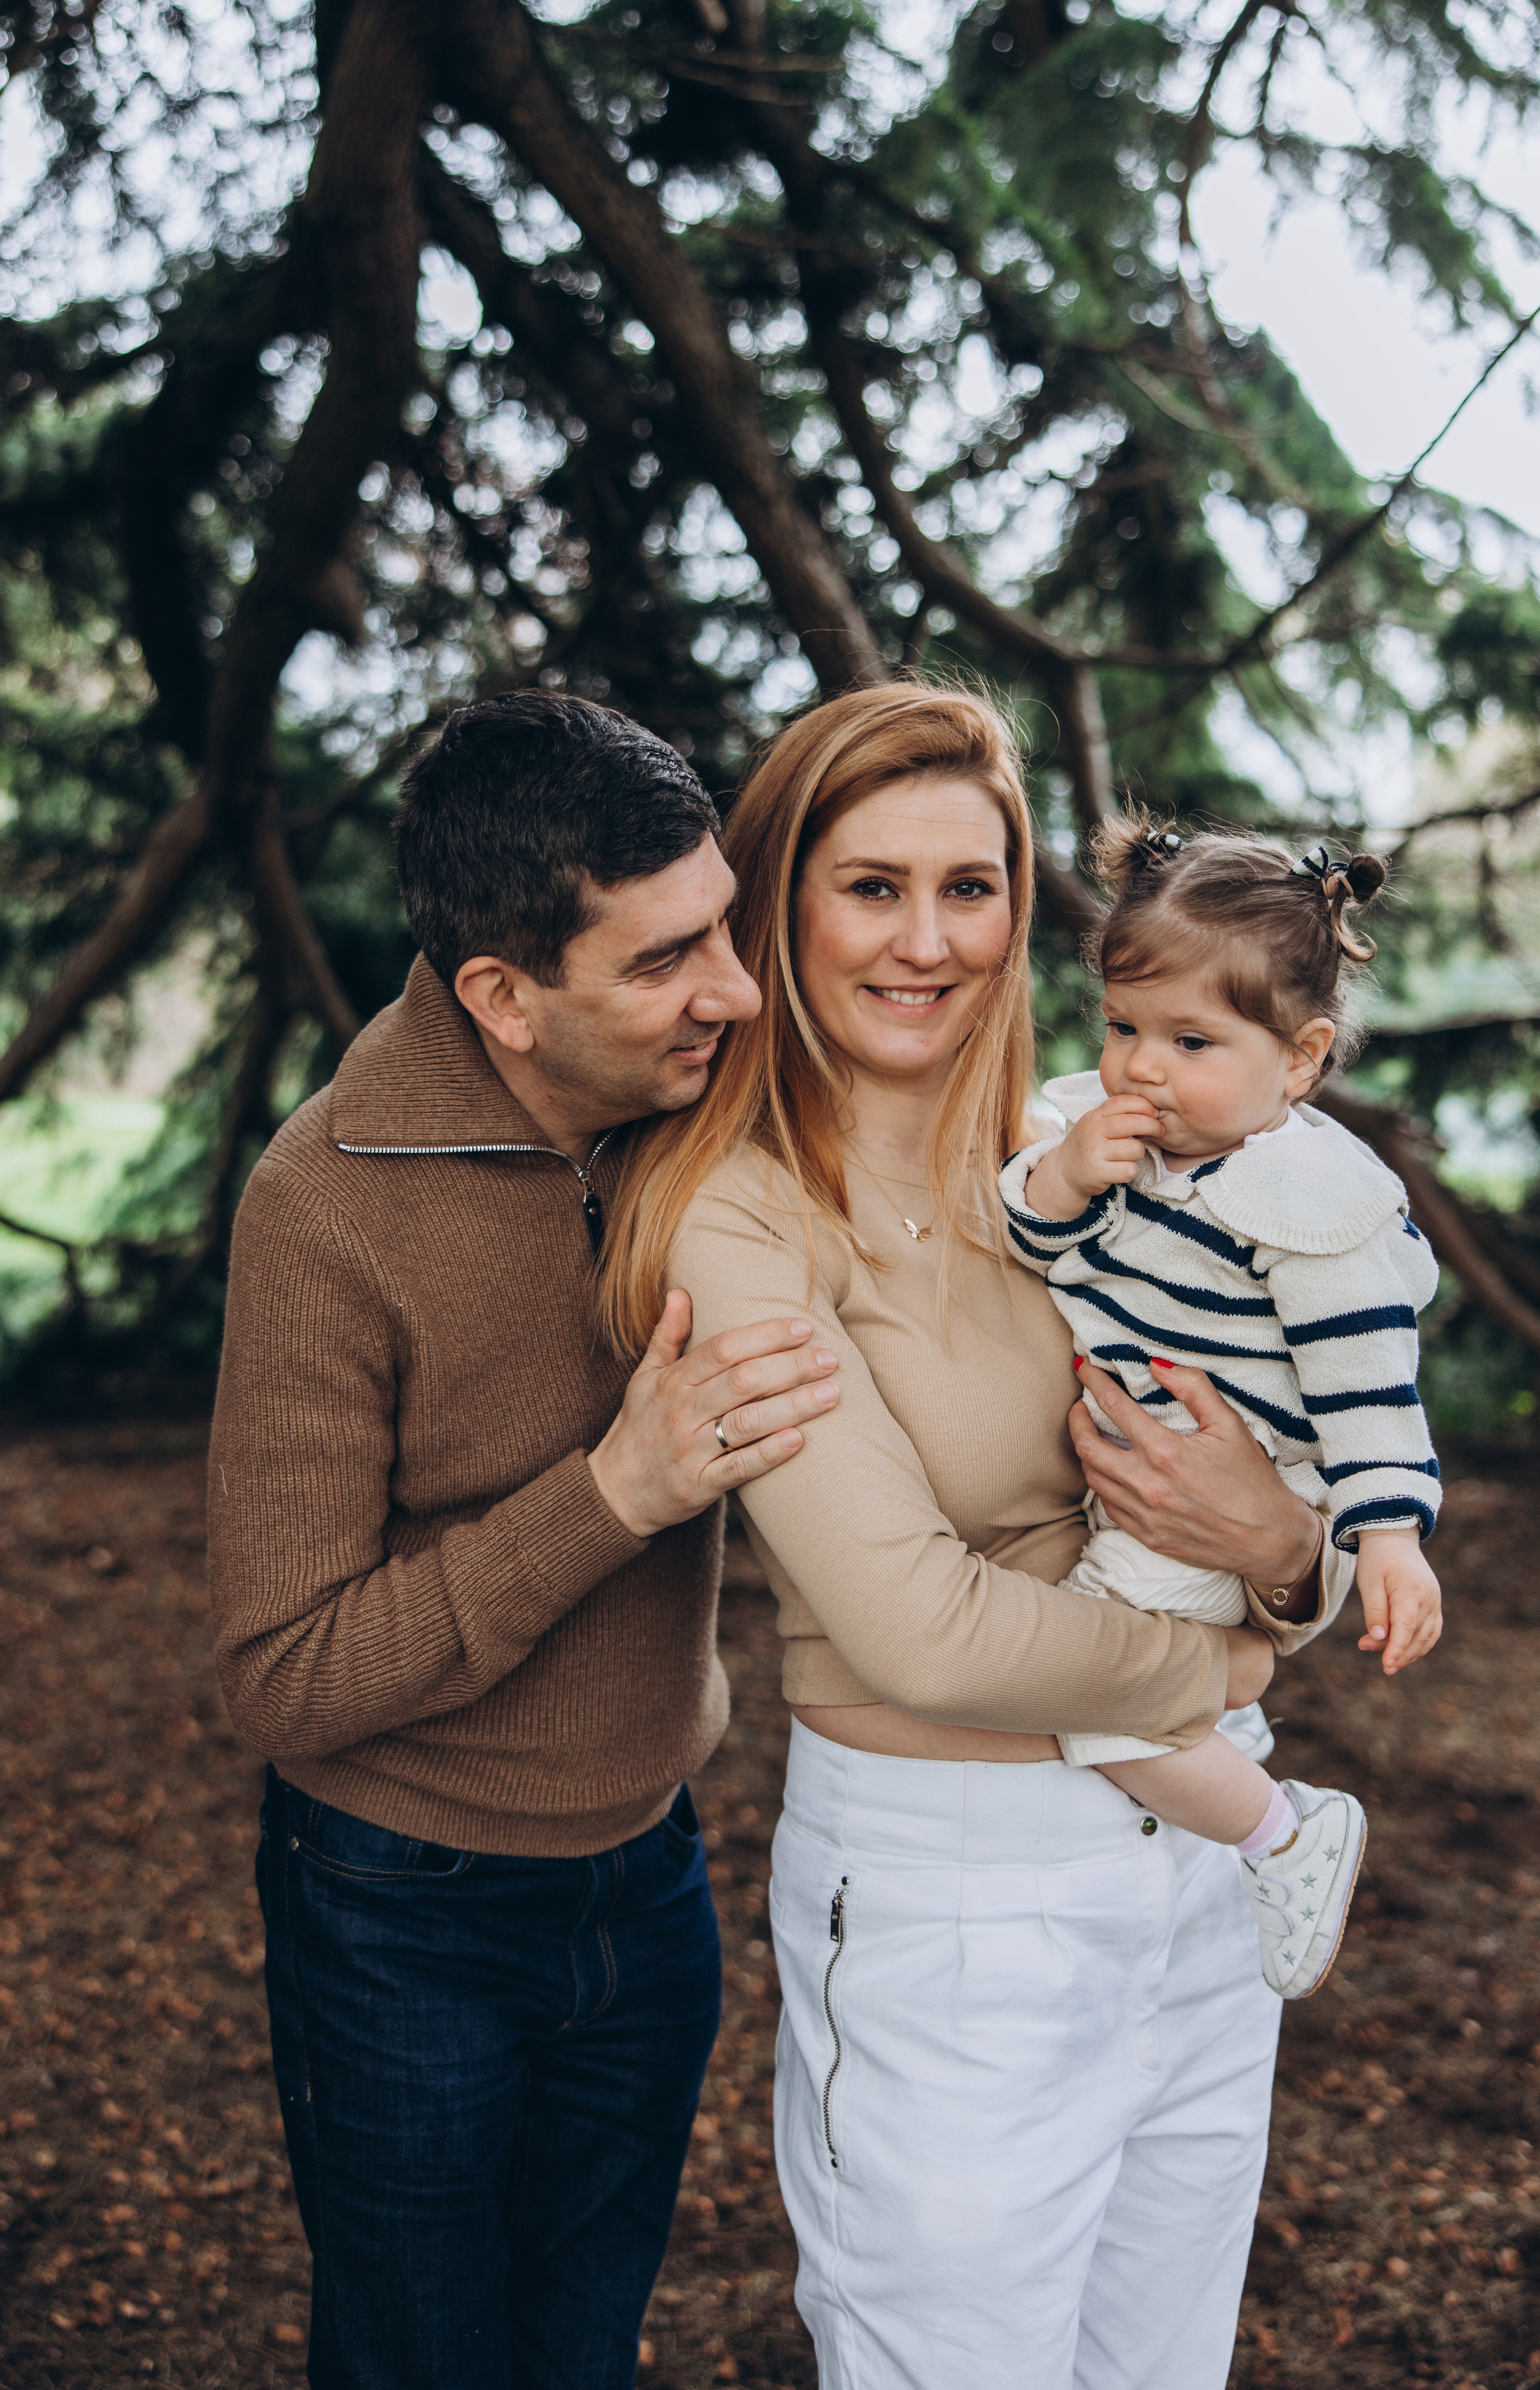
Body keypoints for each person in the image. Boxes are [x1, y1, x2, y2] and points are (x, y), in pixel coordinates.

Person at [601, 680, 1360, 2390]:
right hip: (958, 1903)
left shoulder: (1092, 1151)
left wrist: (1285, 1549)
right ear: (781, 904)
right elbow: (920, 1630)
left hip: (1205, 1863)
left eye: (971, 886)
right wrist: (1240, 1650)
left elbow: (1276, 1486)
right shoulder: (735, 1214)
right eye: (872, 886)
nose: (927, 940)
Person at [207, 691, 849, 2390]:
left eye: (724, 925)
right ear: (503, 996)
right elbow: (279, 1671)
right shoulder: (323, 1207)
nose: (734, 990)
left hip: (652, 1873)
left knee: (580, 2352)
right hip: (401, 1905)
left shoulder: (702, 1109)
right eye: (664, 960)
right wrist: (613, 1491)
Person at [1000, 818, 1444, 1999]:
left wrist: (1389, 1536)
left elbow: (1370, 1389)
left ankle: (1285, 1836)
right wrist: (1065, 1175)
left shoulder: (1308, 1202)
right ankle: (1239, 1767)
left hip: (1219, 1490)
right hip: (1144, 1481)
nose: (1142, 1067)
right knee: (1122, 1687)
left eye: (1191, 1040)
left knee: (1099, 1705)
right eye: (1124, 1028)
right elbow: (1031, 1239)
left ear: (1299, 1059)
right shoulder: (1128, 1146)